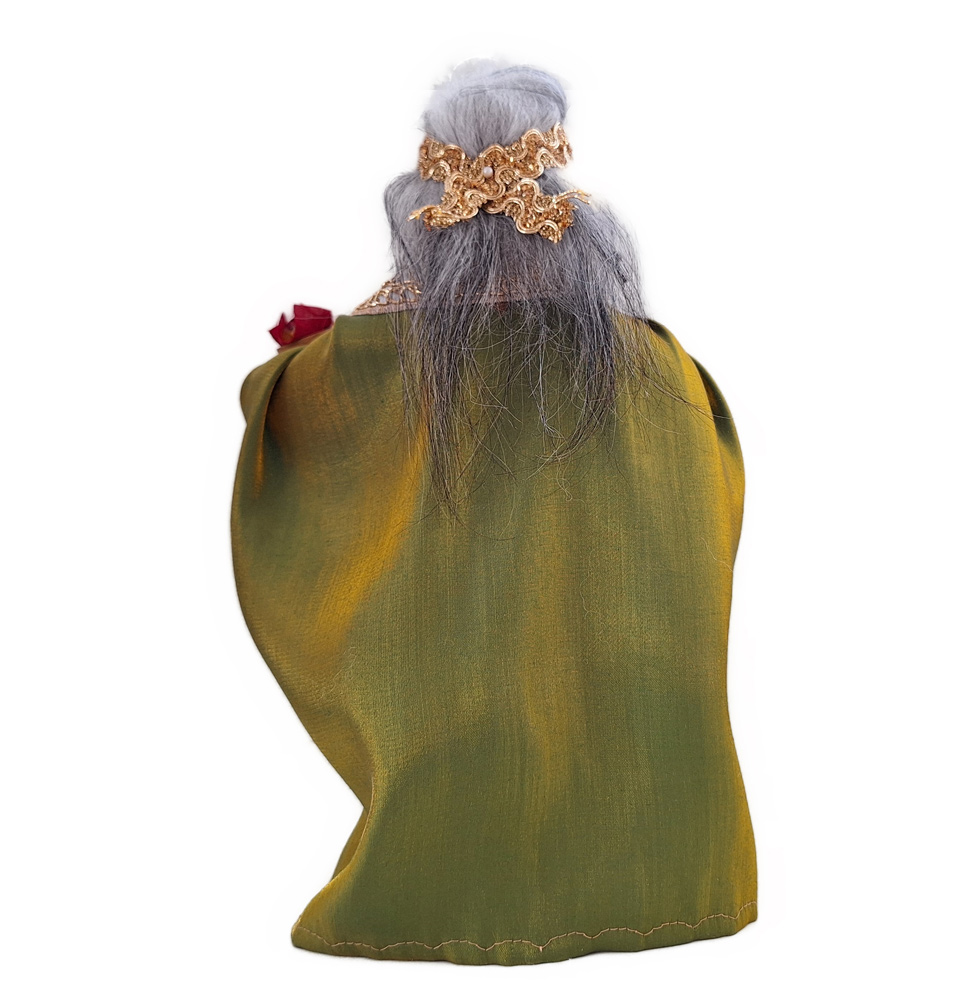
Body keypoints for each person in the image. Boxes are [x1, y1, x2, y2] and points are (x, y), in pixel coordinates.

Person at [230, 58, 757, 966]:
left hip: (448, 707)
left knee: (457, 749)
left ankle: (437, 892)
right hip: (679, 851)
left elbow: (283, 411)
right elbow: (708, 487)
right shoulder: (661, 368)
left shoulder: (362, 368)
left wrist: (303, 356)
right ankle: (669, 873)